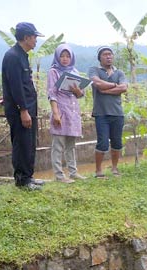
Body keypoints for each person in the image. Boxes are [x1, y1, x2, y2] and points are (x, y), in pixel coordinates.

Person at [2, 22, 43, 190]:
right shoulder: (12, 56)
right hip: (21, 110)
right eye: (34, 37)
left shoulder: (22, 55)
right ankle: (21, 180)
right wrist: (23, 110)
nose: (36, 41)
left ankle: (28, 176)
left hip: (28, 107)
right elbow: (16, 86)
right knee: (22, 143)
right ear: (26, 37)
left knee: (29, 142)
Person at [47, 44, 86, 183]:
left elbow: (81, 94)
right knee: (58, 145)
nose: (65, 59)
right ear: (57, 57)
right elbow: (52, 94)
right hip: (61, 110)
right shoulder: (54, 71)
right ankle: (59, 175)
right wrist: (56, 113)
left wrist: (78, 92)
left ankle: (73, 172)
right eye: (62, 56)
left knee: (71, 144)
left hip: (73, 111)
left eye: (67, 56)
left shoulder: (74, 71)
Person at [88, 46, 127, 178]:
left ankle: (114, 168)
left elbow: (124, 87)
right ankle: (98, 171)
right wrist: (115, 86)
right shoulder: (94, 70)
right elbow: (97, 84)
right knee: (102, 142)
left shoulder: (119, 73)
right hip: (101, 113)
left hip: (117, 113)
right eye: (105, 54)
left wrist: (107, 90)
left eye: (110, 54)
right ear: (100, 57)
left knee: (117, 142)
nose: (108, 57)